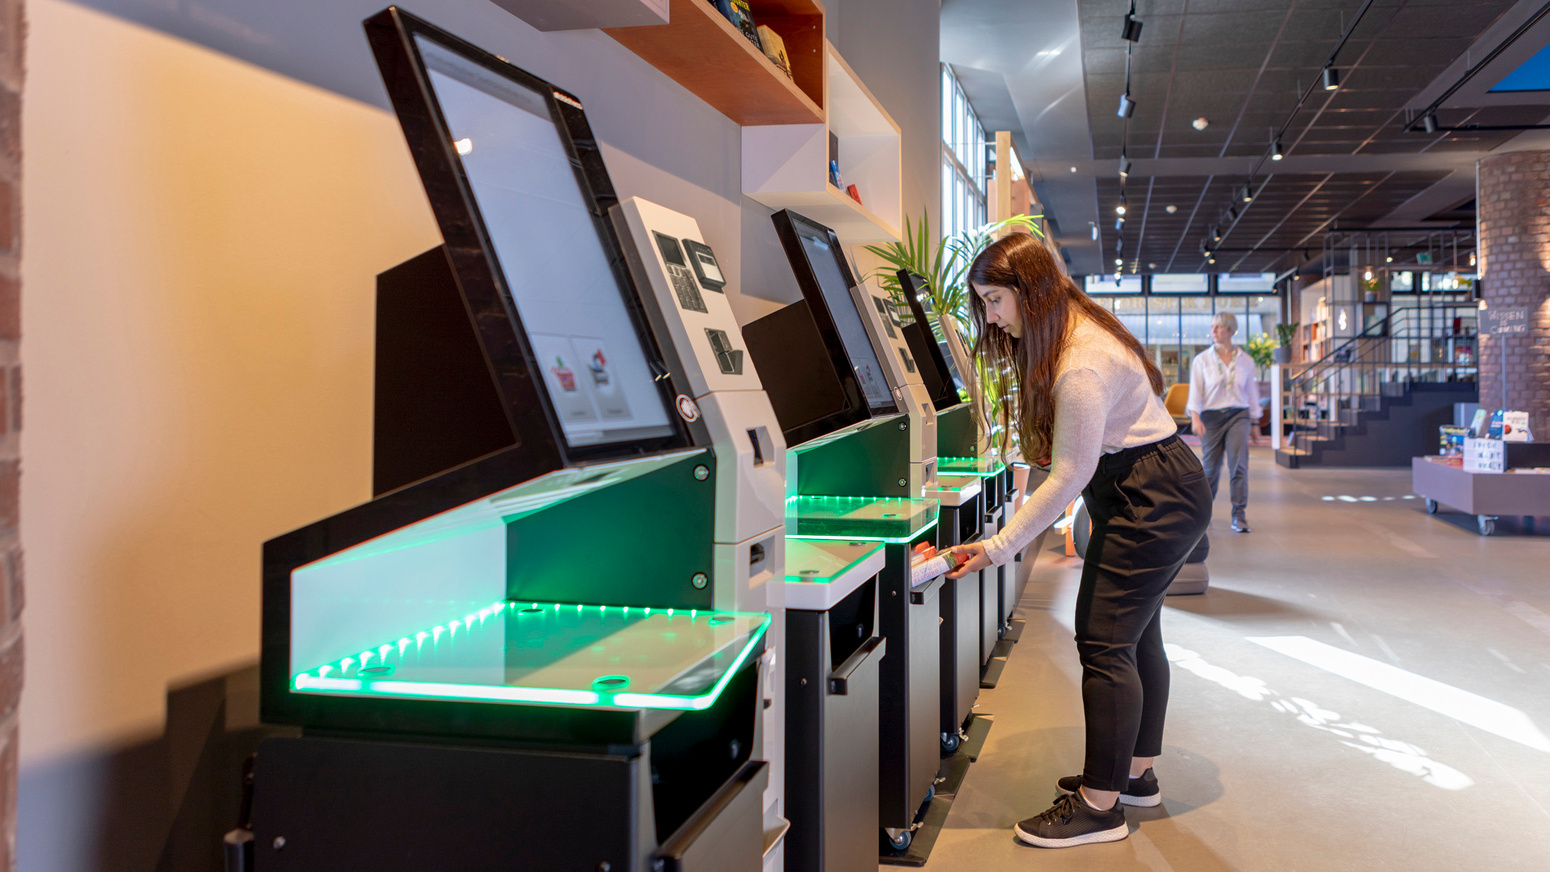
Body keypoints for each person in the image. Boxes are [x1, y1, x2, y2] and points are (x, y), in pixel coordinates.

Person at [945, 234, 1211, 849]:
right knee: (1135, 636)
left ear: (1029, 292)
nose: (990, 316)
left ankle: (1099, 808)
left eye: (994, 300)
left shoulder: (1080, 363)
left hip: (1150, 498)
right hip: (1159, 486)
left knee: (1103, 641)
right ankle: (1134, 777)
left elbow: (1068, 475)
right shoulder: (1072, 328)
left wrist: (997, 547)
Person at [1186, 311, 1261, 533]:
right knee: (1210, 469)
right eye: (1213, 327)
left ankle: (1239, 515)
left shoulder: (1246, 361)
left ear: (1230, 330)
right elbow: (1195, 392)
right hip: (1211, 417)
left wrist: (1255, 423)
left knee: (1239, 466)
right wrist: (1195, 417)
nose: (1214, 331)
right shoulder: (1202, 360)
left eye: (1218, 327)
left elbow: (1251, 393)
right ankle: (1203, 516)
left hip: (1239, 414)